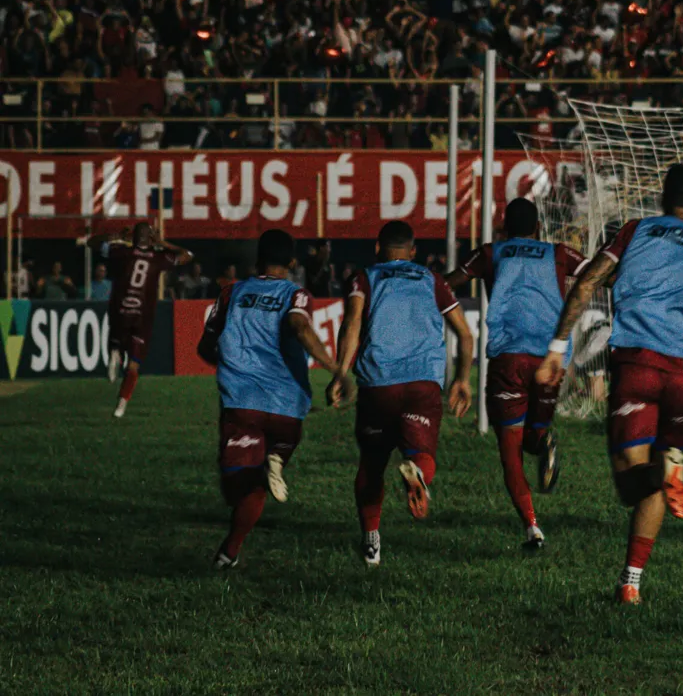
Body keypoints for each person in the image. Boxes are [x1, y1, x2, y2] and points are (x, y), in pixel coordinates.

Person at [536, 164, 683, 604]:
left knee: (632, 483)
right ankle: (630, 581)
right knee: (656, 476)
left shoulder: (635, 230)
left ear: (660, 199)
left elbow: (589, 280)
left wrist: (557, 346)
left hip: (636, 367)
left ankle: (661, 475)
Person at [328, 221, 474, 567]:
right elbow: (465, 336)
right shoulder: (432, 280)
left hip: (379, 383)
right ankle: (418, 474)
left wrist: (341, 373)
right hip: (422, 383)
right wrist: (463, 379)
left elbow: (351, 324)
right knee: (422, 451)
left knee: (372, 465)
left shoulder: (363, 277)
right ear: (412, 252)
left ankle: (371, 543)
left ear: (377, 248)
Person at [445, 197, 588, 549]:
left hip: (508, 359)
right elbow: (600, 274)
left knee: (511, 450)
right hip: (550, 360)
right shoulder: (558, 252)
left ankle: (532, 527)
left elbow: (449, 283)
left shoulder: (491, 252)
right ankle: (544, 441)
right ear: (538, 228)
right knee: (533, 437)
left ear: (505, 229)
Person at [197, 229, 344, 569]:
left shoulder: (231, 292)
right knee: (259, 479)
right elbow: (301, 327)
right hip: (287, 410)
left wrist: (231, 363)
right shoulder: (297, 294)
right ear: (292, 263)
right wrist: (336, 369)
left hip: (242, 403)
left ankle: (230, 549)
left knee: (238, 487)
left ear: (257, 260)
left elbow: (204, 346)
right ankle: (275, 460)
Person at [88, 224, 193, 417]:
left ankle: (115, 352)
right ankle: (122, 403)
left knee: (117, 338)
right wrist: (163, 243)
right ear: (151, 238)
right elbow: (188, 255)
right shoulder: (160, 258)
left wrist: (115, 235)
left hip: (122, 308)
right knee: (134, 364)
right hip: (143, 314)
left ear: (133, 238)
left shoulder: (122, 252)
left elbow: (92, 243)